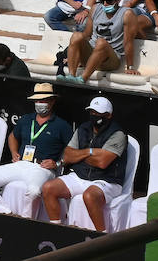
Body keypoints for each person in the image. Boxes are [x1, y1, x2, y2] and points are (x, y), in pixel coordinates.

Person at [0, 82, 71, 217]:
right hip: (21, 163)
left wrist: (58, 163)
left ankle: (26, 220)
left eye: (43, 100)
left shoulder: (62, 125)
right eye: (37, 100)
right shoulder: (26, 119)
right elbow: (13, 136)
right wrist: (13, 152)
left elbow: (73, 151)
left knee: (34, 191)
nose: (40, 103)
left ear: (52, 101)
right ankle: (5, 212)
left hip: (42, 168)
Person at [41, 96, 128, 232]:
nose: (94, 116)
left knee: (89, 196)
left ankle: (102, 236)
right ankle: (55, 230)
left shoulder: (118, 134)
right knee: (48, 188)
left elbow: (102, 162)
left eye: (98, 113)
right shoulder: (83, 128)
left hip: (107, 180)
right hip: (80, 175)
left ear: (109, 115)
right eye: (92, 112)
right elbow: (68, 155)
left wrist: (79, 155)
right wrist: (90, 152)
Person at [61, 0, 128, 84]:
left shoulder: (126, 13)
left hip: (111, 59)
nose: (105, 4)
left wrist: (130, 66)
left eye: (109, 1)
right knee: (76, 35)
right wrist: (72, 54)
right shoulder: (95, 8)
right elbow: (87, 34)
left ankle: (83, 79)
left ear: (118, 0)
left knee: (101, 42)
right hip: (92, 54)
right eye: (102, 1)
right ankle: (71, 75)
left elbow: (129, 42)